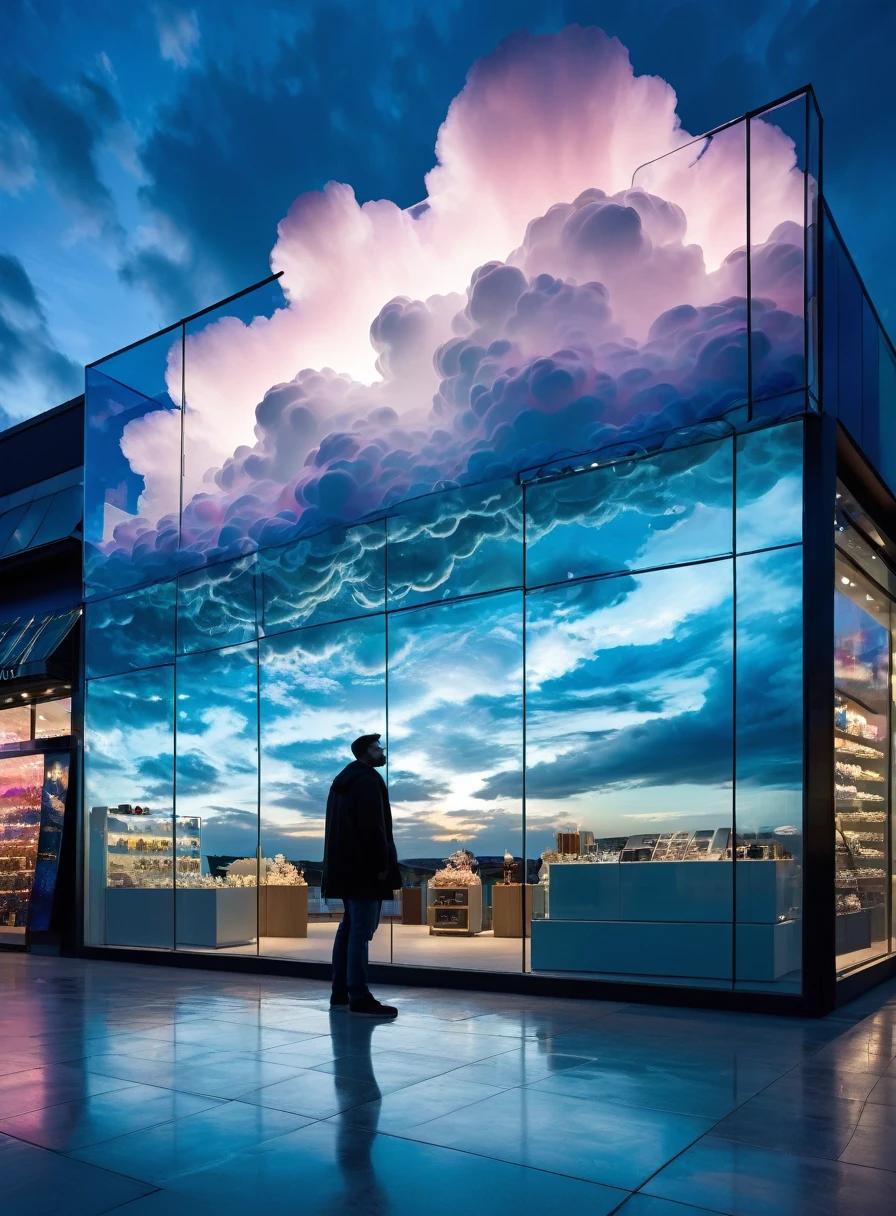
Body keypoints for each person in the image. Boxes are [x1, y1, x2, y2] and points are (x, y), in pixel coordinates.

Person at [322, 733, 401, 1017]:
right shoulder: (366, 780)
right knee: (360, 932)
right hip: (365, 869)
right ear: (366, 753)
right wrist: (382, 864)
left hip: (345, 869)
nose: (383, 752)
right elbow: (373, 827)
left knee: (349, 928)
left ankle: (340, 992)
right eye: (378, 748)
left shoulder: (343, 782)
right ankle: (359, 995)